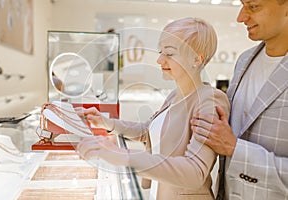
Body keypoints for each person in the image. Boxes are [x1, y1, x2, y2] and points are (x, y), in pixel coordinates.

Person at [76, 17, 230, 200]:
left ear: (197, 59)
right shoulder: (175, 95)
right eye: (160, 52)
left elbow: (194, 172)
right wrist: (106, 122)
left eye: (169, 54)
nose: (159, 60)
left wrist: (121, 155)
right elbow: (148, 132)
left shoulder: (210, 101)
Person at [190, 0, 288, 199]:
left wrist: (235, 148)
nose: (241, 17)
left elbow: (231, 144)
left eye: (253, 6)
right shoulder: (245, 60)